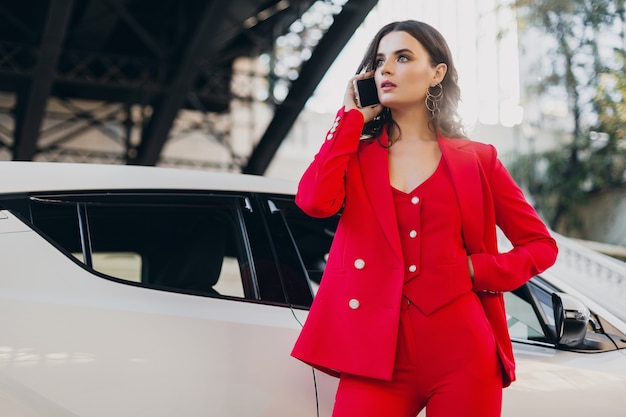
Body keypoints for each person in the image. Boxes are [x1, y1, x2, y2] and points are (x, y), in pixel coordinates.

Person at [291, 20, 558, 417]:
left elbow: (541, 246)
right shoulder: (355, 155)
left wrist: (475, 270)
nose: (386, 69)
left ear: (437, 73)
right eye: (380, 61)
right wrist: (350, 121)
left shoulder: (478, 160)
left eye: (403, 57)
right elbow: (314, 202)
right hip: (374, 357)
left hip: (465, 353)